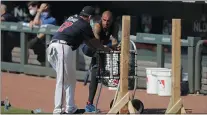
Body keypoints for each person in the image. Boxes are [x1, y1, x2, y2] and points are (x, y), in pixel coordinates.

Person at [46, 6, 111, 114]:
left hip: (57, 47)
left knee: (70, 79)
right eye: (92, 18)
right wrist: (105, 48)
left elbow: (88, 42)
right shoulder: (84, 24)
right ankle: (58, 111)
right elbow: (93, 42)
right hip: (61, 47)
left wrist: (100, 47)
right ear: (89, 17)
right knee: (62, 80)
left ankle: (71, 108)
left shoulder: (73, 18)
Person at [82, 11, 119, 112]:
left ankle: (89, 103)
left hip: (102, 46)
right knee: (96, 68)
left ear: (112, 21)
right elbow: (96, 46)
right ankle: (89, 104)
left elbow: (115, 42)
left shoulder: (115, 26)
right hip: (89, 47)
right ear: (101, 19)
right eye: (104, 20)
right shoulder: (97, 26)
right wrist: (108, 48)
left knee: (97, 71)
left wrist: (113, 47)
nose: (106, 23)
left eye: (108, 21)